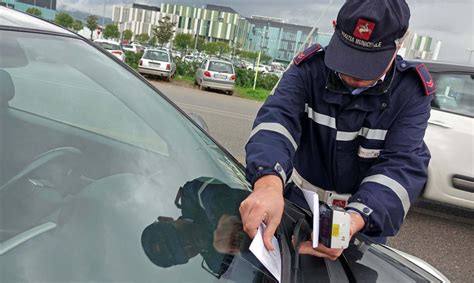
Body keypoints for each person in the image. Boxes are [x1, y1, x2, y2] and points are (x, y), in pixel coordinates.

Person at [240, 0, 435, 261]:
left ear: (400, 44)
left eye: (368, 64)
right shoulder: (308, 69)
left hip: (360, 222)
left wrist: (354, 221)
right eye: (348, 56)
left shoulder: (410, 92)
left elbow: (400, 166)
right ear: (334, 29)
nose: (353, 75)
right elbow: (276, 123)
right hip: (297, 203)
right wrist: (268, 184)